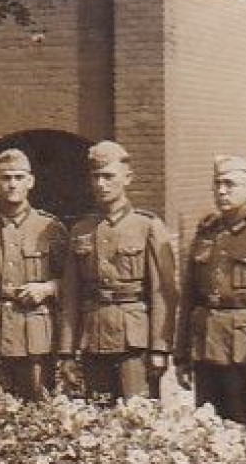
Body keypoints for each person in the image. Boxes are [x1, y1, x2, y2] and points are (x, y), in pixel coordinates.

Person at [57, 140, 177, 400]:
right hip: (93, 338)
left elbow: (163, 292)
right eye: (95, 177)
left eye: (108, 176)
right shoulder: (81, 229)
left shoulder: (147, 226)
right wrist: (67, 351)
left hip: (135, 341)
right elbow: (71, 296)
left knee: (138, 418)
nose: (101, 184)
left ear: (127, 178)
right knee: (99, 420)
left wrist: (160, 347)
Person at [174, 155, 246, 428]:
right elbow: (189, 298)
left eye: (229, 185)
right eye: (217, 184)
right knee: (208, 426)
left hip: (243, 350)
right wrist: (182, 355)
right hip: (205, 345)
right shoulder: (206, 234)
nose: (221, 191)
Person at [0, 148, 66, 400]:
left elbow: (70, 282)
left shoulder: (50, 228)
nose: (12, 184)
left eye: (18, 177)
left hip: (35, 333)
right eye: (5, 178)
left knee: (38, 407)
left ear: (31, 181)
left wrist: (47, 288)